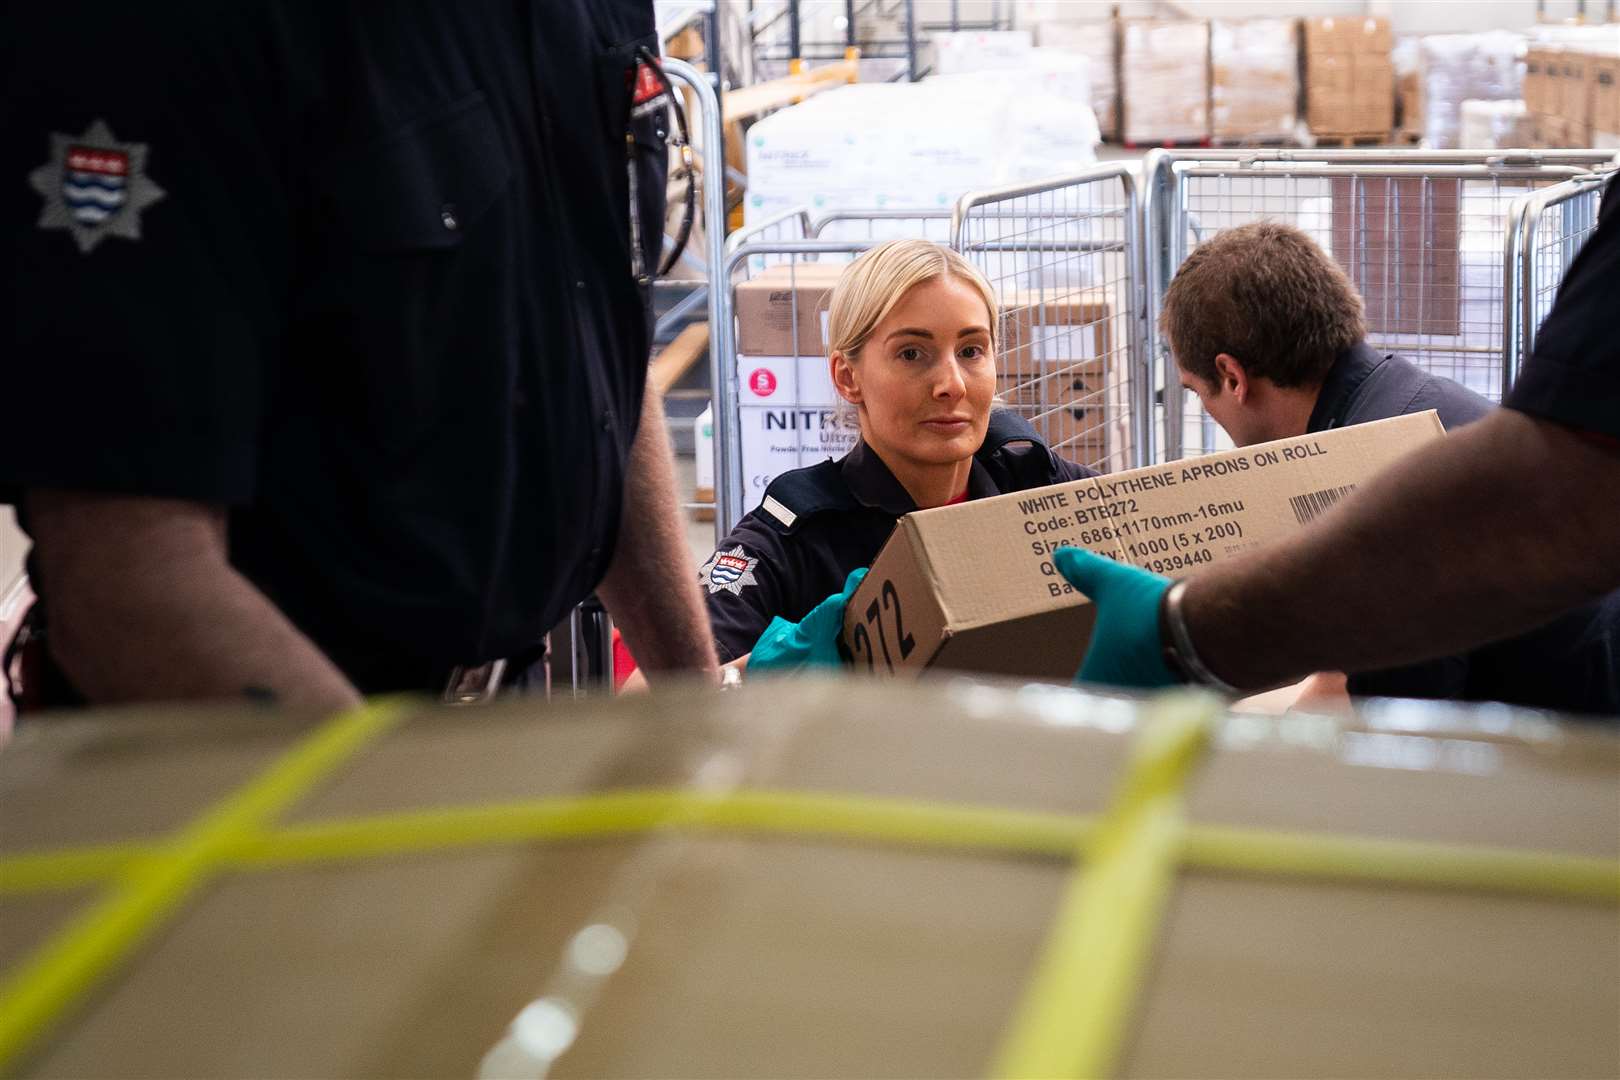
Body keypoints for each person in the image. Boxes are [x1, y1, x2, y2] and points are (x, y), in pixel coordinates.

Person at [0, 1, 719, 712]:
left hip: (498, 719)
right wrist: (391, 810)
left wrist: (698, 714)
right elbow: (123, 578)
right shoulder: (153, 33)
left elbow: (598, 349)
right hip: (247, 756)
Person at [1057, 172, 1620, 715]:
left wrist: (1189, 633)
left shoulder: (1374, 477)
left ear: (1232, 377)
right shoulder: (1418, 399)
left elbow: (1389, 723)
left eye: (1195, 390)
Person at [699, 239, 1100, 670]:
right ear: (848, 377)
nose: (953, 385)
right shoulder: (791, 539)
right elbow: (653, 695)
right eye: (912, 353)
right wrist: (764, 672)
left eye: (971, 351)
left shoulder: (1039, 486)